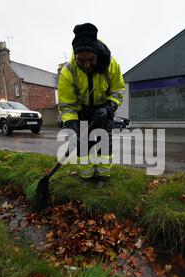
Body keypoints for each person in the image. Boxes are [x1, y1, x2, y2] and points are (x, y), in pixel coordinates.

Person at [58, 23, 125, 184]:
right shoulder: (69, 72)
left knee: (104, 146)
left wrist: (109, 108)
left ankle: (103, 177)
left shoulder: (110, 65)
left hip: (104, 111)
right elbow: (67, 105)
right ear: (75, 56)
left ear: (96, 54)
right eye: (81, 60)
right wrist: (73, 127)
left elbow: (118, 91)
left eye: (91, 59)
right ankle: (86, 178)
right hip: (82, 112)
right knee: (83, 148)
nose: (87, 64)